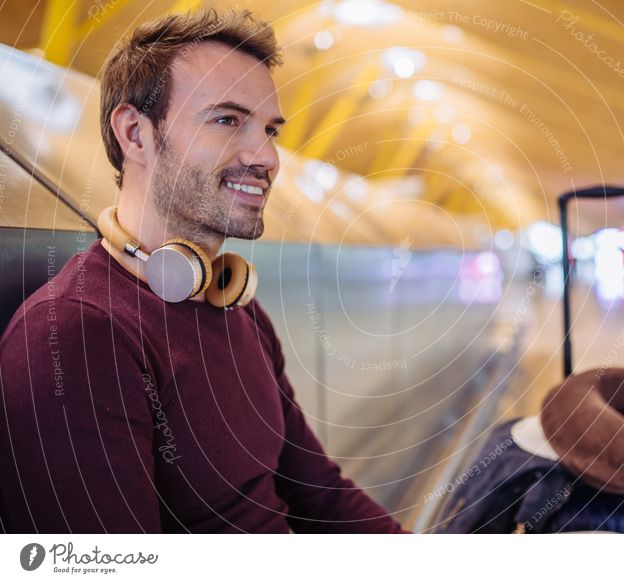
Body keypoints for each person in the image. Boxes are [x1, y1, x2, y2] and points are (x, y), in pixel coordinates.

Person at [0, 9, 406, 534]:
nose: (266, 157)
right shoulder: (77, 335)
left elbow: (319, 495)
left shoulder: (233, 306)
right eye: (227, 119)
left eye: (270, 129)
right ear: (135, 134)